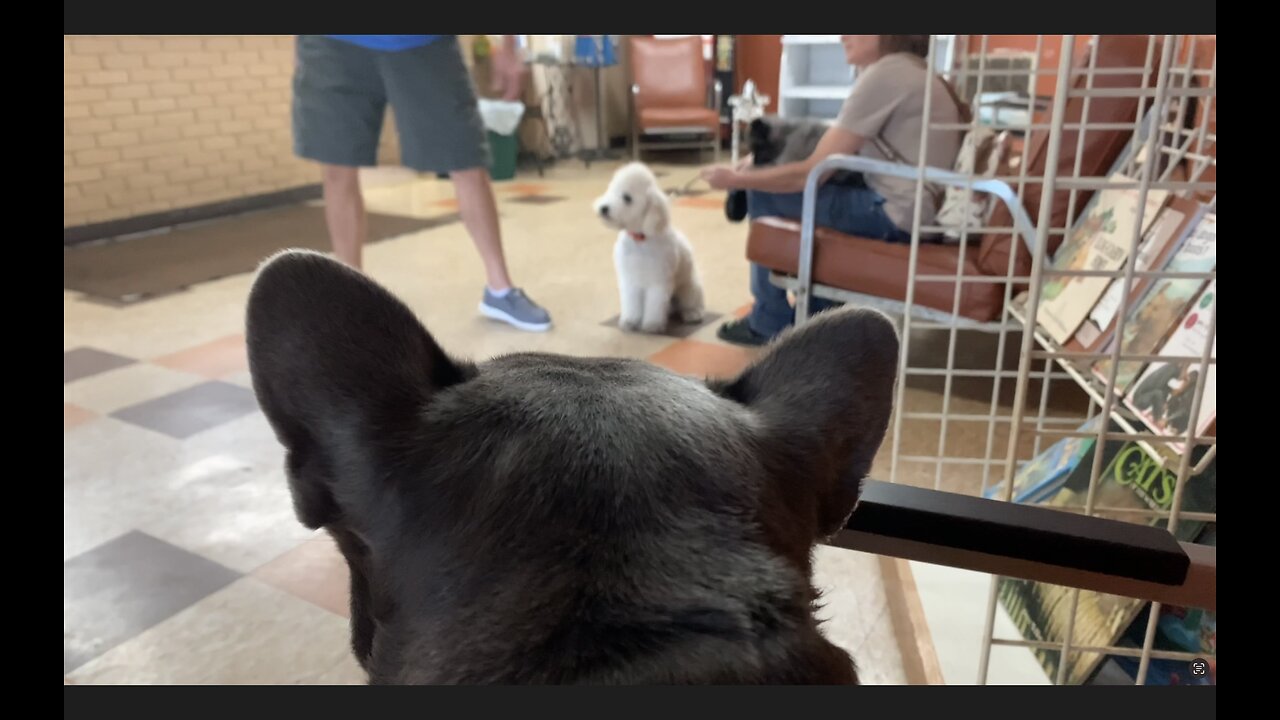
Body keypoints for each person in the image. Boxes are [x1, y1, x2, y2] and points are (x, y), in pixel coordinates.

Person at [701, 35, 963, 346]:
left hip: (895, 214)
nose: (843, 36)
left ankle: (768, 321)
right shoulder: (917, 72)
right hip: (919, 210)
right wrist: (755, 161)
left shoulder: (885, 75)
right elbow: (836, 147)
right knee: (807, 186)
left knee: (765, 192)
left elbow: (810, 173)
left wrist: (735, 180)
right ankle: (815, 316)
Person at [292, 34, 552, 332]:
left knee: (466, 161)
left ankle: (500, 290)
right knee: (337, 169)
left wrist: (509, 45)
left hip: (426, 42)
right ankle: (350, 296)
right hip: (332, 43)